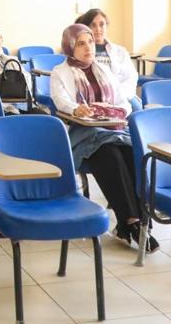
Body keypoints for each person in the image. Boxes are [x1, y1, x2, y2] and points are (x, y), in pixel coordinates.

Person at [51, 23, 158, 252]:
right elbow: (61, 102)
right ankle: (132, 221)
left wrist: (115, 111)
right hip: (85, 133)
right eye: (81, 44)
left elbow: (123, 102)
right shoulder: (60, 72)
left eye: (90, 42)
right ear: (69, 47)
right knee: (110, 155)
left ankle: (139, 223)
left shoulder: (103, 69)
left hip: (114, 128)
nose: (88, 47)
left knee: (131, 152)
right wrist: (77, 109)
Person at [74, 8, 138, 98]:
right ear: (86, 28)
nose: (98, 29)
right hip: (94, 97)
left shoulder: (120, 52)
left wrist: (118, 95)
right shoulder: (79, 52)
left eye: (101, 25)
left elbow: (130, 78)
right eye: (93, 25)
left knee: (142, 107)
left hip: (122, 96)